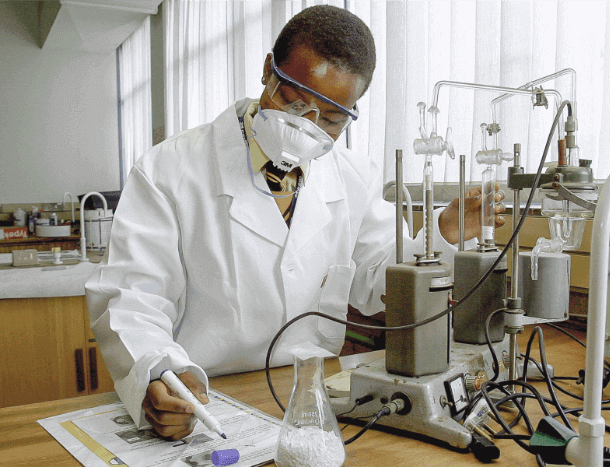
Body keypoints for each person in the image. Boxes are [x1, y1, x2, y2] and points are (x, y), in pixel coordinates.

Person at [85, 5, 505, 441]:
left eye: (331, 119)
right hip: (205, 396)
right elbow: (134, 298)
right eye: (294, 101)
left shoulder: (354, 176)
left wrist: (443, 233)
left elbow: (379, 281)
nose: (307, 126)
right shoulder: (169, 169)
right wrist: (161, 373)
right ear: (269, 70)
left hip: (315, 397)